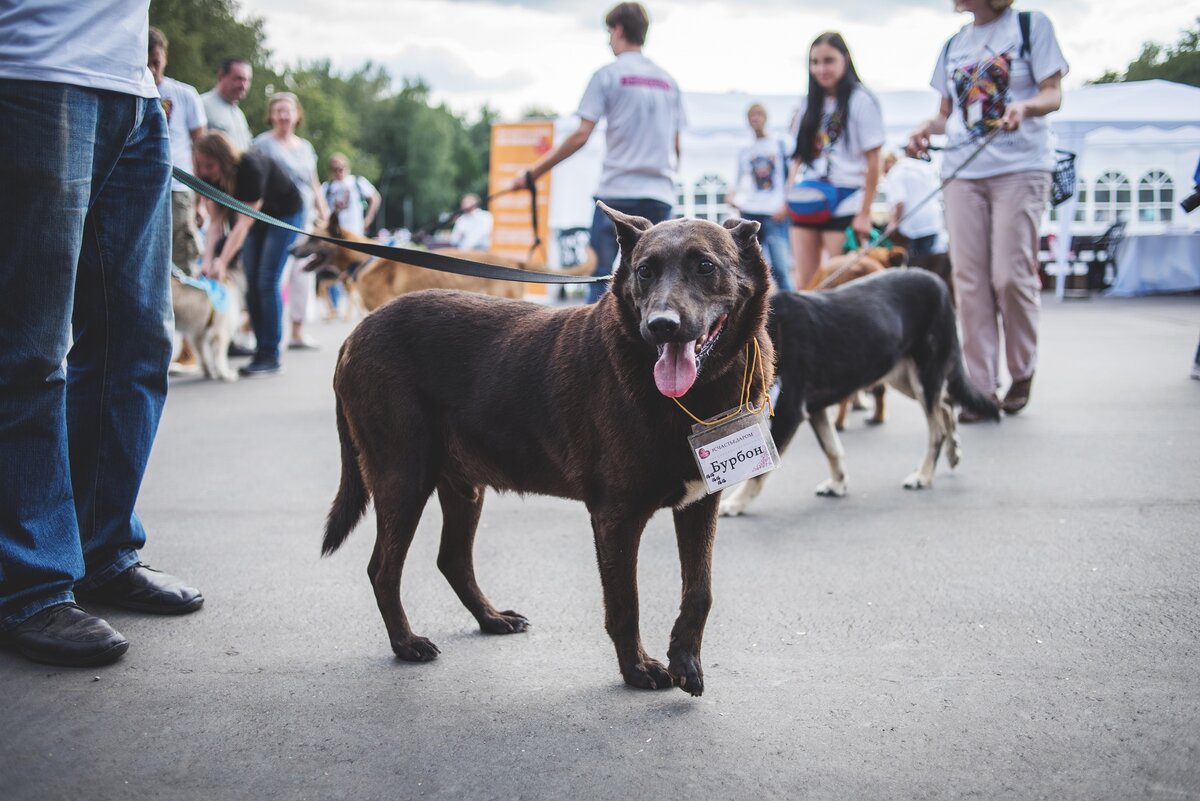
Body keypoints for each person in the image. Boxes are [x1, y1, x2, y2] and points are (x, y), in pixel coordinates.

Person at [0, 0, 203, 668]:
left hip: (132, 92)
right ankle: (30, 581)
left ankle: (101, 549)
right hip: (35, 71)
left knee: (137, 343)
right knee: (30, 350)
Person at [907, 0, 1068, 419]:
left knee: (1010, 276)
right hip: (963, 170)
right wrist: (926, 128)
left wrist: (1026, 106)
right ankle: (980, 388)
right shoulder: (953, 44)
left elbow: (1053, 93)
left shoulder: (1030, 27)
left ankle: (1022, 368)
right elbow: (948, 115)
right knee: (969, 281)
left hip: (1022, 165)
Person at [509, 2, 684, 303]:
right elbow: (676, 145)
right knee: (658, 283)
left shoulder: (607, 75)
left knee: (600, 276)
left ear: (617, 30)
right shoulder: (669, 81)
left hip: (617, 193)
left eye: (608, 33)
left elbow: (580, 135)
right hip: (659, 195)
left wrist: (532, 173)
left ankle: (592, 350)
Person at [193, 131, 305, 376]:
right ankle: (259, 349)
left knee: (266, 279)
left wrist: (222, 262)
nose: (204, 171)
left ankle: (270, 354)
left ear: (224, 160)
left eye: (209, 165)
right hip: (256, 220)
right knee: (251, 282)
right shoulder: (210, 177)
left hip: (283, 214)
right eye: (200, 166)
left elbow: (242, 224)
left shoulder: (249, 168)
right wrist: (208, 260)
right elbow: (215, 223)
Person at [786, 32, 885, 291]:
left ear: (845, 59)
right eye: (815, 62)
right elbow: (798, 156)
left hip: (846, 200)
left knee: (843, 283)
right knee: (805, 286)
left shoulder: (861, 100)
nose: (821, 69)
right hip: (808, 199)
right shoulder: (808, 103)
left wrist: (864, 213)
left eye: (828, 61)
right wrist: (787, 193)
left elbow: (875, 161)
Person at [251, 92, 329, 351]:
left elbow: (314, 184)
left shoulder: (306, 147)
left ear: (297, 115)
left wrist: (324, 215)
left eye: (288, 111)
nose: (284, 115)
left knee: (302, 277)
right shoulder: (262, 144)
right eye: (279, 111)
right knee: (274, 276)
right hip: (277, 219)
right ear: (271, 115)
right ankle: (262, 332)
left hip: (305, 221)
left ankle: (298, 331)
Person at [148, 27, 207, 277]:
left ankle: (185, 314)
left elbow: (202, 150)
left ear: (165, 58)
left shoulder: (184, 95)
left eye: (156, 63)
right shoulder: (127, 92)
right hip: (139, 187)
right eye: (144, 64)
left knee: (182, 257)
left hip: (178, 189)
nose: (151, 70)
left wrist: (201, 202)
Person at [726, 102, 793, 292]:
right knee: (746, 266)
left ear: (765, 118)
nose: (755, 119)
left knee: (780, 267)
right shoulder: (745, 150)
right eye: (751, 116)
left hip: (774, 213)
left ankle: (794, 311)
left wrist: (787, 205)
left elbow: (792, 177)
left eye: (758, 115)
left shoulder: (780, 144)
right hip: (750, 212)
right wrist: (732, 196)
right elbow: (738, 180)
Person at [881, 150, 946, 261]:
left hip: (912, 227)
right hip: (933, 221)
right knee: (928, 261)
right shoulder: (923, 167)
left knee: (913, 263)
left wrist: (893, 224)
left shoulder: (896, 172)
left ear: (889, 163)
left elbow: (899, 202)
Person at [201, 56, 253, 153]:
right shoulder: (202, 105)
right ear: (221, 76)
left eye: (247, 80)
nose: (243, 85)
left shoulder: (239, 114)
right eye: (238, 78)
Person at [322, 153, 380, 236]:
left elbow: (375, 197)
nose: (338, 172)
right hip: (334, 235)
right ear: (330, 170)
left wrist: (368, 219)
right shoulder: (326, 187)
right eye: (335, 169)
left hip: (355, 233)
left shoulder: (357, 182)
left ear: (347, 167)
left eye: (341, 168)